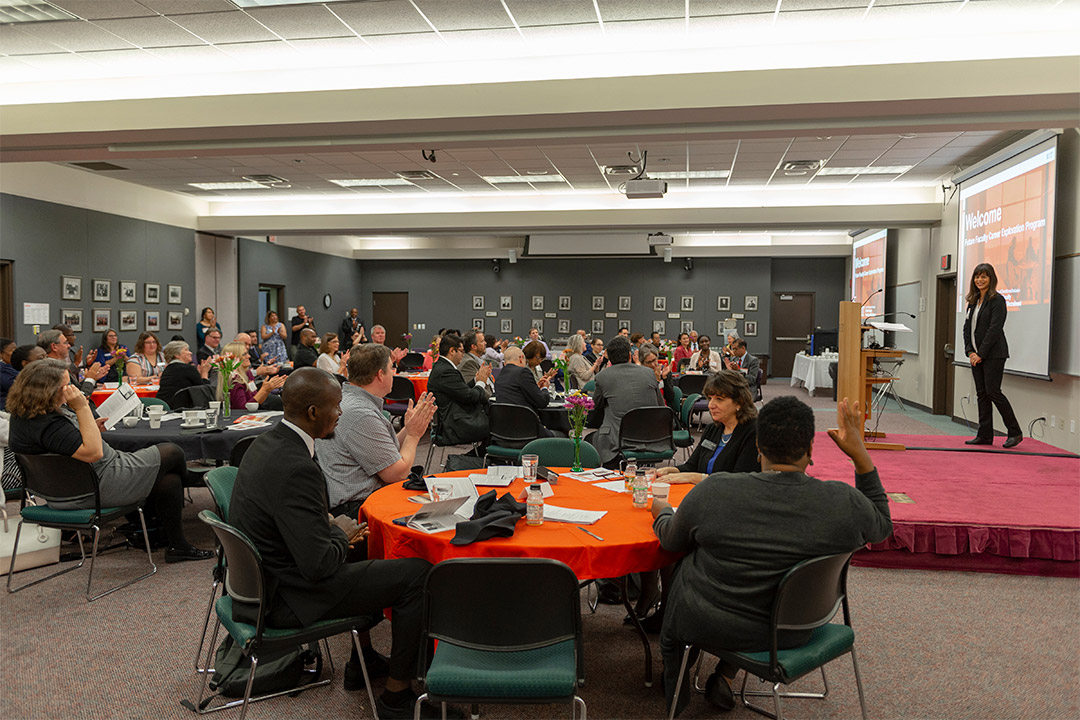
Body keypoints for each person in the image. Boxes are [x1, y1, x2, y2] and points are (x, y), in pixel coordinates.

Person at [651, 396, 893, 716]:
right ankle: (722, 674)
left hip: (713, 624)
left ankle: (677, 697)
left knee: (684, 569)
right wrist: (861, 457)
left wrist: (662, 512)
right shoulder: (843, 502)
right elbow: (883, 526)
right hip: (796, 629)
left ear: (758, 447)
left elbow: (670, 541)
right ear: (810, 449)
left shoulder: (716, 491)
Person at [228, 368, 447, 719]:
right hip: (289, 595)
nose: (341, 414)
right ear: (314, 412)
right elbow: (319, 564)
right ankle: (397, 696)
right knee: (418, 575)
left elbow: (301, 523)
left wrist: (337, 531)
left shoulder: (268, 443)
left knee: (371, 545)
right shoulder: (298, 466)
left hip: (264, 579)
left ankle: (363, 662)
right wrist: (340, 533)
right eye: (336, 406)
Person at [7, 359, 213, 563]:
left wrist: (89, 427)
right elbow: (94, 453)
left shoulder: (23, 418)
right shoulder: (51, 425)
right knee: (172, 451)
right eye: (66, 386)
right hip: (96, 486)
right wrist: (82, 408)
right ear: (48, 390)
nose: (71, 390)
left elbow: (64, 445)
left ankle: (175, 543)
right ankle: (193, 481)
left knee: (169, 479)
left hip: (60, 491)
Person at [317, 344, 438, 518]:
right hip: (359, 508)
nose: (394, 373)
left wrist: (408, 428)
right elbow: (397, 473)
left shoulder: (351, 401)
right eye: (391, 368)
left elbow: (385, 452)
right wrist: (414, 434)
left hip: (360, 500)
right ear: (380, 375)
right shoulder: (360, 414)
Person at [658, 370, 759, 483]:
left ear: (739, 402)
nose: (711, 405)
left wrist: (696, 478)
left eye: (719, 399)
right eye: (710, 398)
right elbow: (691, 466)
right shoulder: (713, 429)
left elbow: (740, 481)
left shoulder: (753, 433)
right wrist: (670, 470)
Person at [962, 262, 1022, 448]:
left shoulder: (997, 300)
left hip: (994, 354)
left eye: (984, 276)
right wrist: (970, 351)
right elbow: (967, 328)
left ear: (991, 279)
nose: (980, 280)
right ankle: (985, 434)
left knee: (993, 392)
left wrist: (981, 353)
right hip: (976, 355)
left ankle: (1015, 432)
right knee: (982, 394)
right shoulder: (973, 301)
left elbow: (994, 329)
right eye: (977, 276)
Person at [586, 335, 664, 467]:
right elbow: (660, 406)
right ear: (630, 355)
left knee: (589, 439)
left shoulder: (602, 377)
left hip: (617, 441)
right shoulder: (649, 374)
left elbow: (597, 405)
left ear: (609, 358)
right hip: (651, 438)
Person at [427, 334, 491, 446]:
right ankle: (484, 458)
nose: (463, 354)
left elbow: (461, 390)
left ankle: (479, 458)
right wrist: (481, 382)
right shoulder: (446, 371)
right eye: (461, 351)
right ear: (452, 351)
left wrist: (476, 379)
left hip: (453, 419)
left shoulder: (442, 366)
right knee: (497, 424)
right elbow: (469, 397)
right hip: (454, 426)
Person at [493, 346, 558, 439]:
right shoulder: (523, 372)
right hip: (528, 431)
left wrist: (535, 387)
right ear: (521, 358)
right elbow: (542, 402)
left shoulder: (500, 376)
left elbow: (517, 394)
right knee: (563, 433)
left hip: (503, 433)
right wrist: (544, 389)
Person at [217, 341, 286, 412]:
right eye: (244, 354)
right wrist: (264, 390)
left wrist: (267, 390)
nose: (249, 356)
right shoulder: (234, 380)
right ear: (235, 358)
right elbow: (243, 409)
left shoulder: (247, 373)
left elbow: (256, 401)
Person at [38, 329, 106, 397]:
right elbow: (77, 399)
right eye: (65, 343)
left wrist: (92, 378)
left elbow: (76, 388)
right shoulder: (51, 369)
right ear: (54, 347)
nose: (69, 346)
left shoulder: (57, 365)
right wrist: (90, 379)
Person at [156, 340, 213, 409]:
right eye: (186, 350)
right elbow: (204, 392)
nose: (190, 353)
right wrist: (204, 373)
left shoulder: (168, 369)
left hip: (164, 406)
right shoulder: (188, 369)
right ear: (176, 355)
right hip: (179, 409)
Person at [0, 338, 17, 410]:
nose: (16, 354)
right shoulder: (3, 369)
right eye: (13, 351)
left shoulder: (11, 366)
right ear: (1, 354)